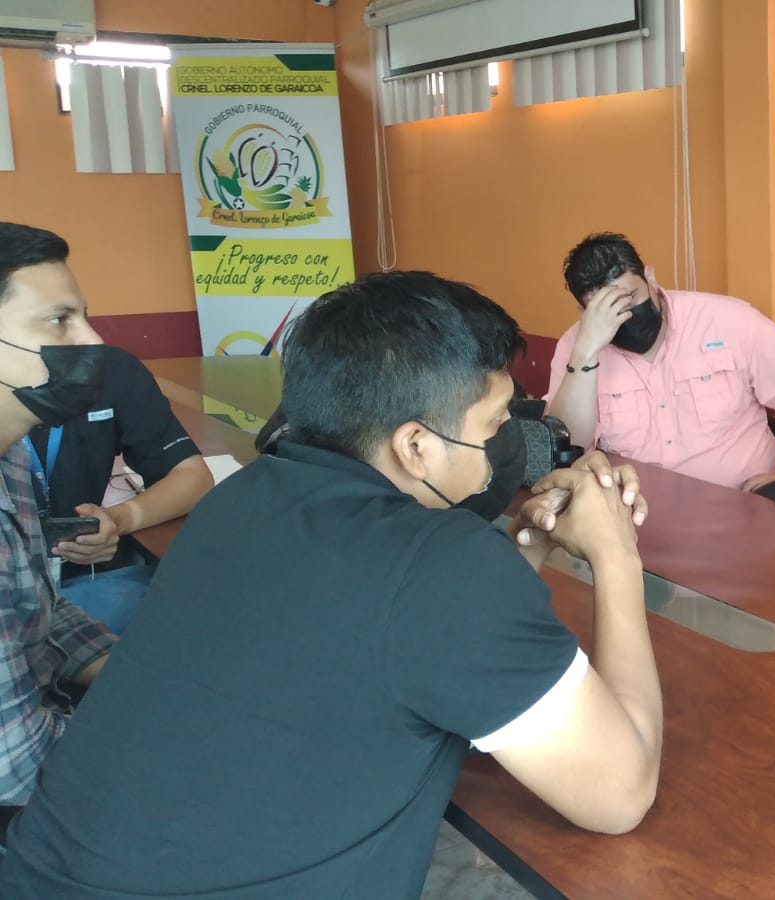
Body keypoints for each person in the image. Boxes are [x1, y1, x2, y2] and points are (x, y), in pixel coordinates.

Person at [0, 271, 664, 898]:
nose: (503, 443)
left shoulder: (241, 498)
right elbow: (619, 795)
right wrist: (616, 555)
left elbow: (433, 646)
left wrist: (531, 540)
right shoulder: (442, 562)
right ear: (415, 446)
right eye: (493, 424)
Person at [545, 232, 775, 492]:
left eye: (630, 297)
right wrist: (585, 355)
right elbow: (568, 447)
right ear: (583, 310)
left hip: (744, 503)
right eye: (606, 308)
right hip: (636, 512)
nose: (625, 315)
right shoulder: (575, 347)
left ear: (650, 278)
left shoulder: (727, 320)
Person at [0, 223, 116, 824]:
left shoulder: (13, 454)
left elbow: (31, 605)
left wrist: (129, 670)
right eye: (59, 320)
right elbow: (16, 770)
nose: (92, 340)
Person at [33, 345, 214, 634]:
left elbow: (193, 477)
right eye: (57, 321)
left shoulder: (108, 369)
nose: (89, 336)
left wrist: (117, 520)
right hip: (14, 595)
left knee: (202, 599)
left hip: (78, 582)